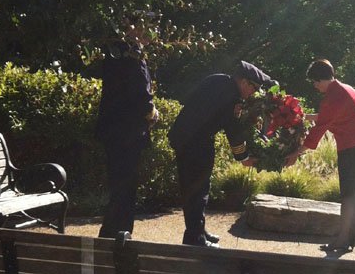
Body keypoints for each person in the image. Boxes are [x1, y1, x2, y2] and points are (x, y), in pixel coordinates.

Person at [168, 60, 273, 248]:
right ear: (244, 82)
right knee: (197, 190)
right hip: (195, 143)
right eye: (254, 87)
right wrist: (244, 157)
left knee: (198, 188)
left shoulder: (218, 81)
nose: (254, 92)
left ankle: (197, 230)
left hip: (189, 139)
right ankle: (195, 238)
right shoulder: (231, 95)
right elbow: (233, 130)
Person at [285, 59, 355, 254]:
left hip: (352, 148)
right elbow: (329, 116)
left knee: (349, 197)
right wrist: (305, 116)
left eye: (315, 82)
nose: (315, 86)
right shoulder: (346, 89)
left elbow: (317, 132)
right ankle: (350, 238)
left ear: (320, 79)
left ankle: (341, 240)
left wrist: (295, 153)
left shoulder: (332, 98)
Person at [95, 14, 160, 238]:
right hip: (127, 133)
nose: (151, 35)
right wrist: (152, 112)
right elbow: (141, 95)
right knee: (125, 186)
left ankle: (113, 231)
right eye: (148, 29)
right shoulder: (132, 54)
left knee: (118, 184)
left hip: (113, 131)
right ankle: (119, 233)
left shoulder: (113, 52)